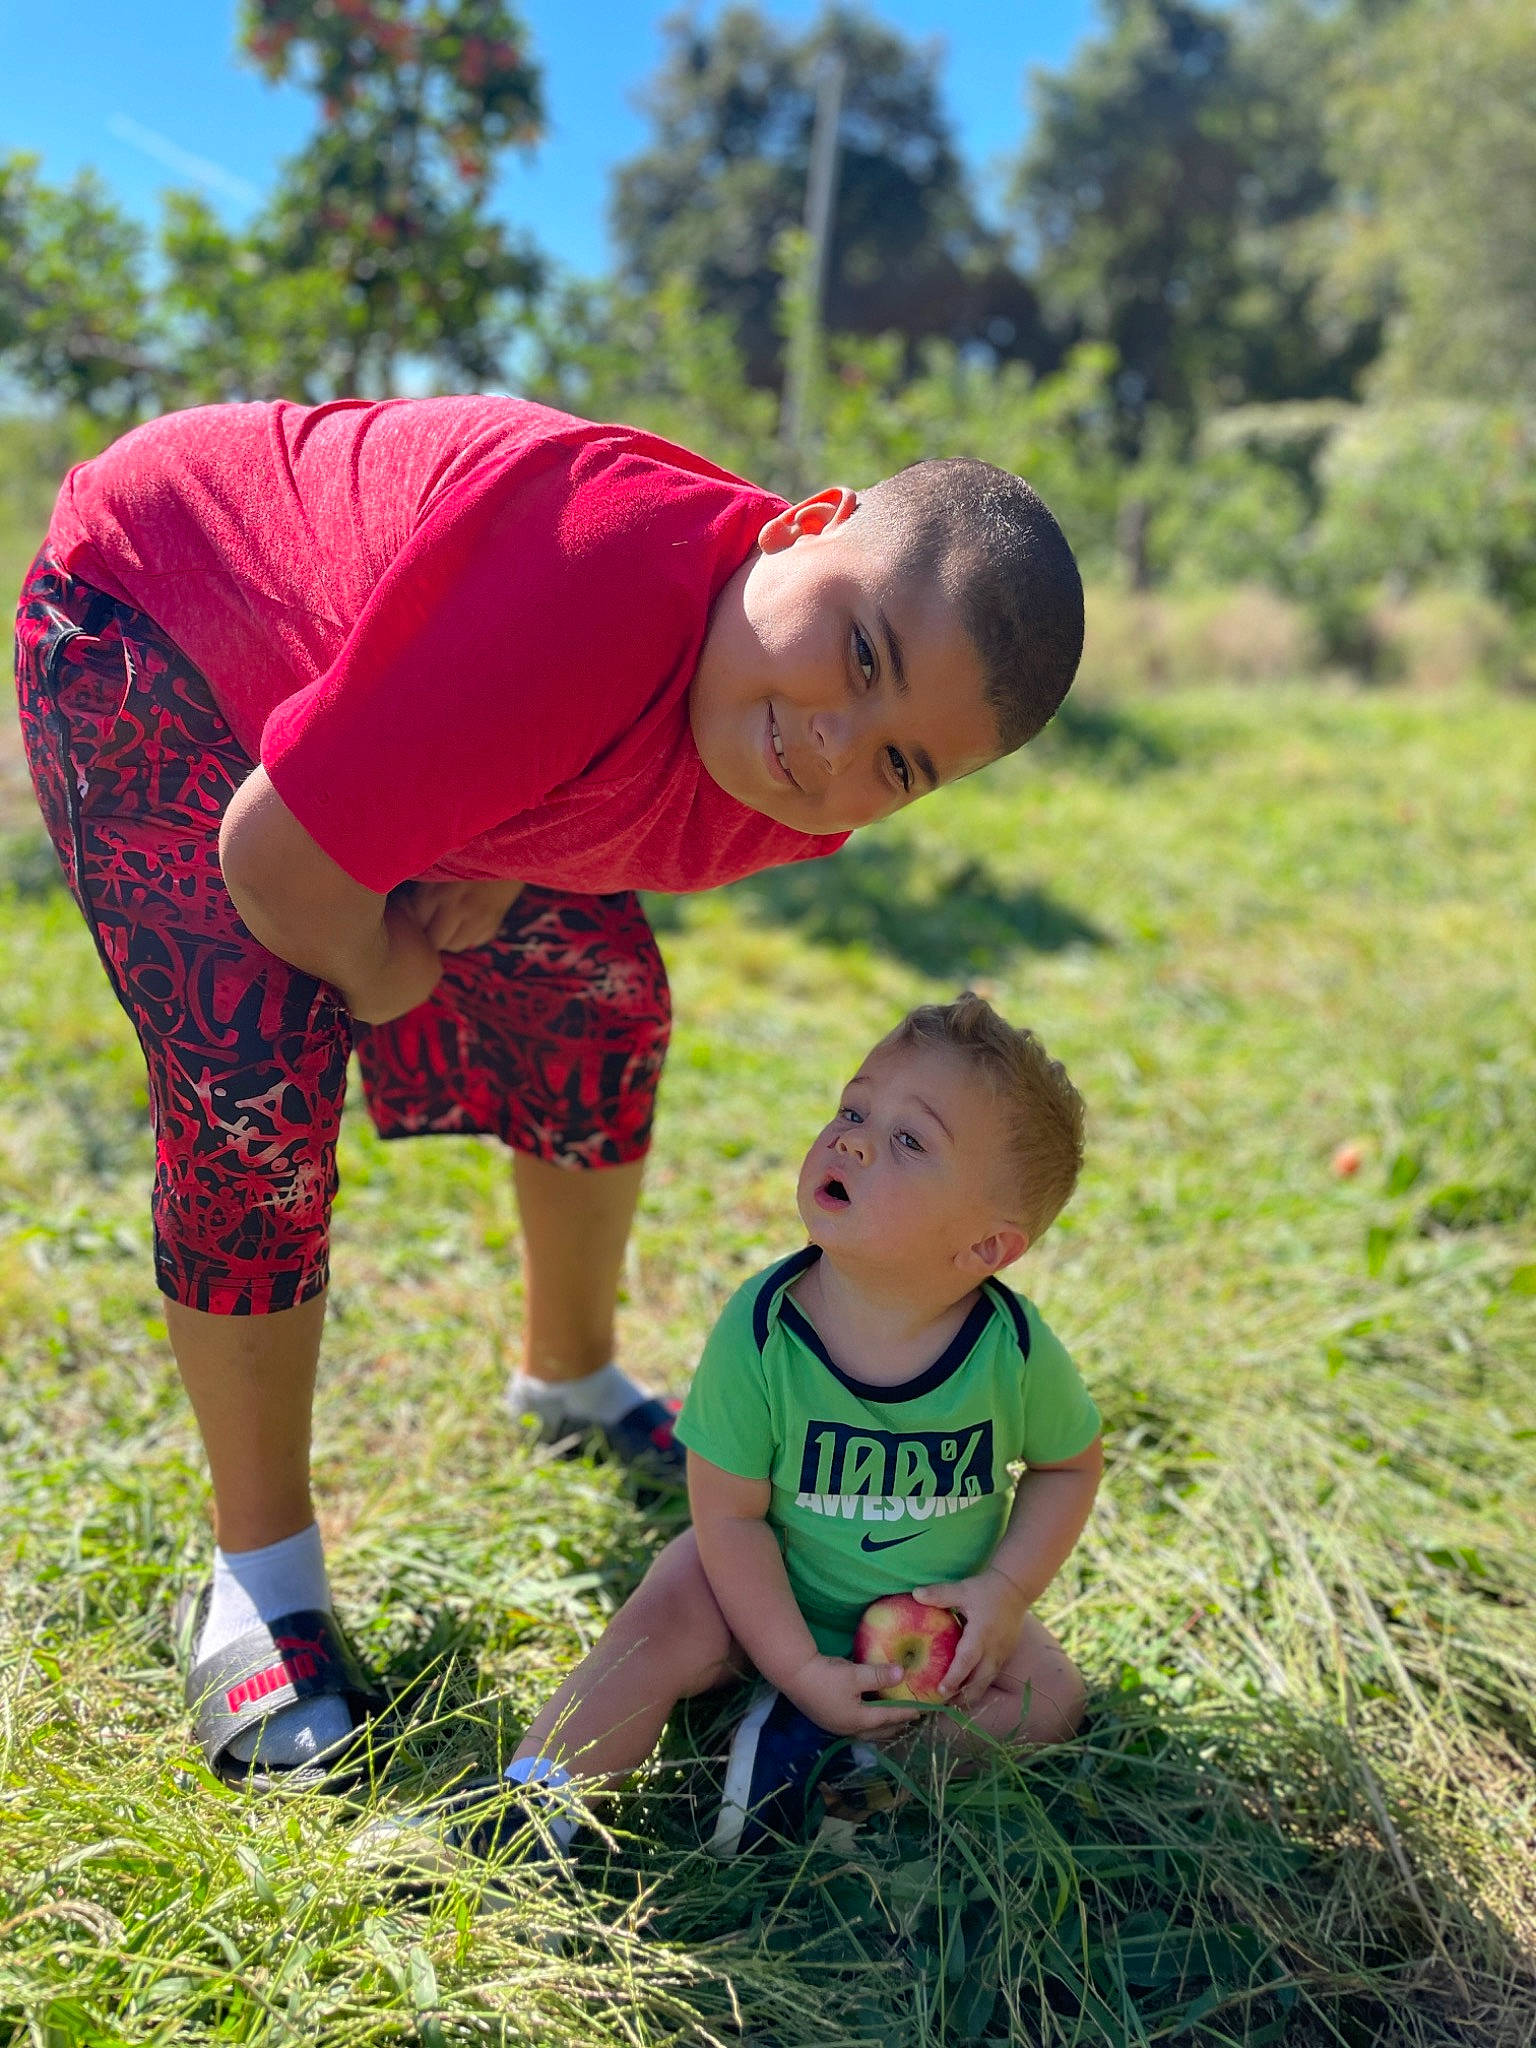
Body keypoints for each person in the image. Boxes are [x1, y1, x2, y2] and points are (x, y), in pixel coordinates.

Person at [12, 396, 1085, 1786]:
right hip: (159, 615)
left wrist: (501, 829)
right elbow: (275, 859)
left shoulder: (782, 768)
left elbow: (584, 764)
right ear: (807, 522)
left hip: (383, 689)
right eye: (860, 652)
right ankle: (261, 1575)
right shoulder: (589, 581)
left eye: (898, 762)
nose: (836, 741)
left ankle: (566, 1374)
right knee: (253, 1091)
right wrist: (384, 964)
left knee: (599, 999)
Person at [500, 994, 1103, 1857]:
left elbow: (1069, 1467)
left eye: (909, 1140)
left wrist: (1003, 1593)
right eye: (853, 1109)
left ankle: (841, 1781)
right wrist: (794, 1665)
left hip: (921, 1625)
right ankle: (538, 1798)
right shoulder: (764, 1330)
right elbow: (730, 1516)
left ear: (984, 1250)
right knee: (657, 1622)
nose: (852, 1138)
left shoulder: (1009, 1350)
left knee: (1050, 1698)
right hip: (760, 1587)